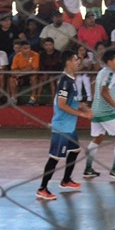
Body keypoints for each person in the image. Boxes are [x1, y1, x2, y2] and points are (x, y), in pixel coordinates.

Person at [37, 50, 94, 200]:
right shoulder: (64, 82)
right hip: (62, 126)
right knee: (54, 158)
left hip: (70, 127)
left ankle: (66, 180)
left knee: (75, 150)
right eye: (76, 59)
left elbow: (72, 102)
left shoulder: (72, 80)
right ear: (68, 62)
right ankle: (42, 188)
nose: (78, 62)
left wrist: (84, 107)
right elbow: (62, 105)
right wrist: (83, 114)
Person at [83, 49, 115, 181]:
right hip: (106, 112)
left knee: (98, 139)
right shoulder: (111, 74)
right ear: (109, 61)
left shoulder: (101, 72)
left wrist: (94, 101)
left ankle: (88, 169)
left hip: (96, 110)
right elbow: (104, 91)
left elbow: (94, 85)